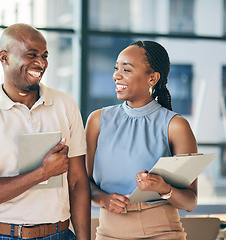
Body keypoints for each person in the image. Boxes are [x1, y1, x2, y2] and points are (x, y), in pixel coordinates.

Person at [0, 23, 91, 240]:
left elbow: (77, 182)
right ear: (4, 58)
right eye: (32, 55)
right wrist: (42, 173)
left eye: (44, 56)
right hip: (4, 236)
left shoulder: (65, 105)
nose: (41, 63)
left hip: (60, 234)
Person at [85, 40, 198, 240]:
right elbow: (84, 183)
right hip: (109, 233)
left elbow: (190, 202)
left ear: (153, 78)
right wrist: (103, 198)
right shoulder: (97, 120)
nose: (116, 75)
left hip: (162, 232)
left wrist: (163, 188)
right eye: (116, 68)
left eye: (126, 70)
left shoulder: (175, 125)